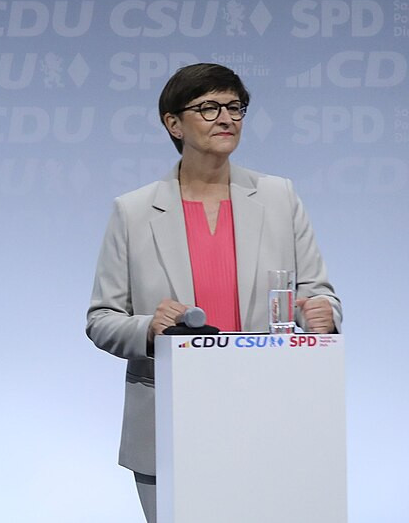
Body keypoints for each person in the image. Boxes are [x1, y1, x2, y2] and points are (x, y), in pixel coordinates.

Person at [85, 62, 341, 522]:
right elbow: (102, 318)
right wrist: (149, 328)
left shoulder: (279, 196)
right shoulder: (135, 210)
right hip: (170, 419)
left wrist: (321, 312)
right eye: (208, 108)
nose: (226, 118)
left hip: (269, 412)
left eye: (234, 107)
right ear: (173, 123)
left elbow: (317, 291)